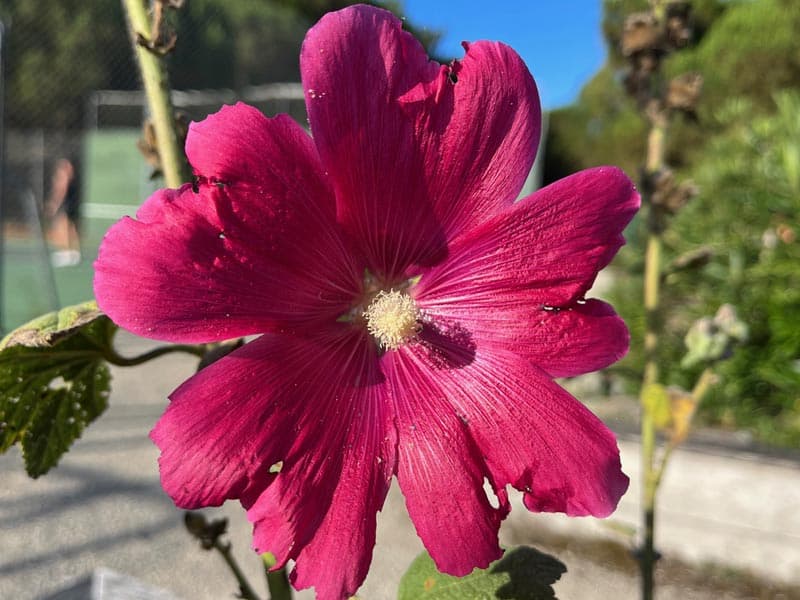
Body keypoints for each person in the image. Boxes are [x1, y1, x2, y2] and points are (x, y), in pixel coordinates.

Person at [46, 157, 82, 267]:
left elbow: (60, 191)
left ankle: (65, 252)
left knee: (62, 226)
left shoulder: (63, 177)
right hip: (70, 202)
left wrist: (54, 204)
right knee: (70, 227)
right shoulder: (70, 179)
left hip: (65, 203)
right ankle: (73, 252)